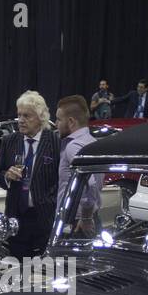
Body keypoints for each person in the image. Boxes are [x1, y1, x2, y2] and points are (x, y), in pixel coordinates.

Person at [0, 91, 60, 258]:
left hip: (44, 218)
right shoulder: (9, 142)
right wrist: (7, 176)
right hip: (16, 218)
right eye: (19, 115)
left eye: (27, 116)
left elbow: (60, 180)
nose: (21, 120)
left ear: (41, 118)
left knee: (43, 271)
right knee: (18, 269)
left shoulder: (55, 142)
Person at [55, 95, 101, 236]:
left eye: (58, 119)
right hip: (88, 218)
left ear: (71, 121)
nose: (56, 124)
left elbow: (91, 183)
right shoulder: (93, 142)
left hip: (76, 223)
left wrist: (86, 217)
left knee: (70, 259)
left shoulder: (73, 146)